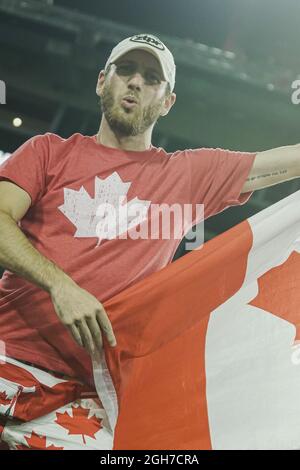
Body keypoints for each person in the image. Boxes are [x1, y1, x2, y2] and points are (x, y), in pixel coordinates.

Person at [0, 33, 299, 450]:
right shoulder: (49, 152)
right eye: (126, 70)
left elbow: (282, 162)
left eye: (152, 77)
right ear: (103, 80)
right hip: (7, 354)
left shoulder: (188, 176)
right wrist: (60, 285)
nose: (136, 82)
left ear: (167, 101)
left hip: (85, 396)